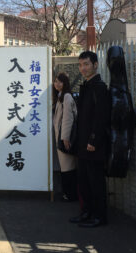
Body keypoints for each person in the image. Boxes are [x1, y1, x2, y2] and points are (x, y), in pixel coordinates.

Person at [69, 51, 110, 227]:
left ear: (95, 65)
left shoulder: (100, 87)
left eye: (86, 64)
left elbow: (101, 117)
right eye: (80, 65)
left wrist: (93, 140)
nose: (83, 68)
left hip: (94, 145)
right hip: (82, 144)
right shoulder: (86, 86)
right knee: (84, 181)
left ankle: (99, 217)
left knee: (96, 182)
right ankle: (86, 212)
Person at [53, 73, 78, 202]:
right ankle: (68, 193)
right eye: (56, 81)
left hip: (65, 139)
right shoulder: (60, 96)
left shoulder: (66, 97)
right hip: (61, 138)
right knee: (66, 167)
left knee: (68, 167)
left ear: (65, 83)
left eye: (60, 82)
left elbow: (68, 118)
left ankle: (70, 194)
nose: (57, 84)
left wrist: (65, 138)